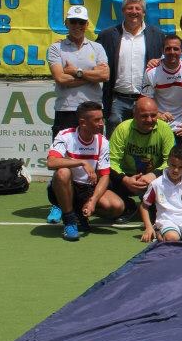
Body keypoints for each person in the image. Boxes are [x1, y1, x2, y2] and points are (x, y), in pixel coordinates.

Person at [46, 101, 124, 241]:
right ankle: (69, 220)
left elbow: (105, 176)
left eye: (102, 119)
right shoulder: (65, 136)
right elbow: (51, 162)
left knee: (117, 206)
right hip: (67, 187)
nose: (101, 123)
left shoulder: (103, 141)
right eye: (97, 120)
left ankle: (79, 213)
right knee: (63, 172)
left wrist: (93, 201)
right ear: (83, 123)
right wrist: (82, 162)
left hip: (88, 189)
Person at [95, 0, 164, 135]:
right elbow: (90, 52)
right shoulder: (108, 35)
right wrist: (66, 42)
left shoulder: (157, 35)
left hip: (145, 99)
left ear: (143, 12)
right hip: (117, 101)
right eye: (130, 8)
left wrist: (159, 61)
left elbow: (169, 58)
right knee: (115, 141)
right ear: (123, 11)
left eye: (138, 8)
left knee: (143, 141)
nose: (134, 12)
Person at [47, 5, 110, 137]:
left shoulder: (97, 47)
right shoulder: (56, 48)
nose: (77, 25)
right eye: (73, 21)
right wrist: (92, 76)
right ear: (66, 23)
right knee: (64, 149)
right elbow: (60, 78)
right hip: (66, 109)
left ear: (87, 24)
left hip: (93, 109)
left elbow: (105, 75)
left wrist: (76, 71)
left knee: (94, 148)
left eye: (81, 22)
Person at [107, 96, 176, 218]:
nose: (149, 120)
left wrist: (153, 175)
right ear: (134, 115)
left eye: (153, 115)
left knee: (179, 171)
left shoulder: (165, 129)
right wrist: (125, 179)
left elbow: (171, 161)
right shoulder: (122, 129)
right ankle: (128, 205)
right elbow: (111, 161)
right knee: (105, 177)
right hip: (127, 177)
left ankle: (157, 206)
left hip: (154, 177)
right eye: (144, 116)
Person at [139, 144, 182, 243]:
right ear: (168, 162)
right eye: (173, 165)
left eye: (180, 167)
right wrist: (148, 227)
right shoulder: (156, 184)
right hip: (167, 220)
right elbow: (144, 206)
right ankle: (159, 231)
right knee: (172, 239)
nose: (176, 170)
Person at [141, 34, 182, 143]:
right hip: (158, 125)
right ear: (162, 51)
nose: (172, 52)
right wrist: (157, 115)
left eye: (176, 49)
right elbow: (143, 103)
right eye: (168, 49)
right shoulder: (152, 72)